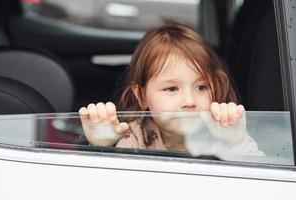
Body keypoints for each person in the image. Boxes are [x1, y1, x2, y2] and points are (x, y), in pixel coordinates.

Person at [79, 23, 262, 156]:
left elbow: (263, 182)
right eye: (172, 89)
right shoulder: (134, 138)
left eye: (201, 87)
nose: (189, 101)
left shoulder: (222, 132)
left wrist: (236, 142)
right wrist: (102, 147)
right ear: (142, 96)